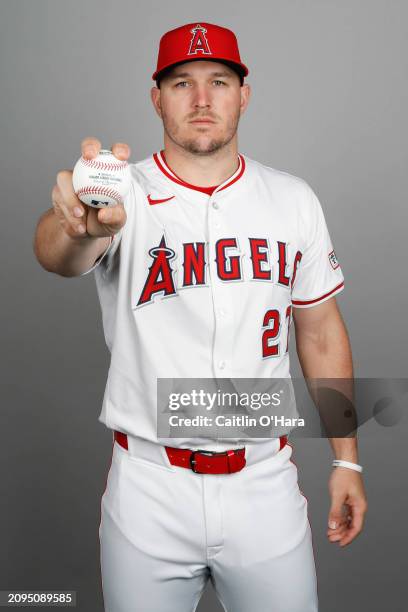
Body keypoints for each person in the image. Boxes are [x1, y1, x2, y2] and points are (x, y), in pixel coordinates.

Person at [34, 21, 367, 612]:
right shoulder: (120, 197)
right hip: (148, 487)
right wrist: (73, 225)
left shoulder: (293, 200)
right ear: (156, 97)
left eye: (219, 80)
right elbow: (59, 256)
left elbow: (319, 333)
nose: (203, 99)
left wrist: (345, 456)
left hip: (264, 482)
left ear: (244, 93)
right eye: (182, 82)